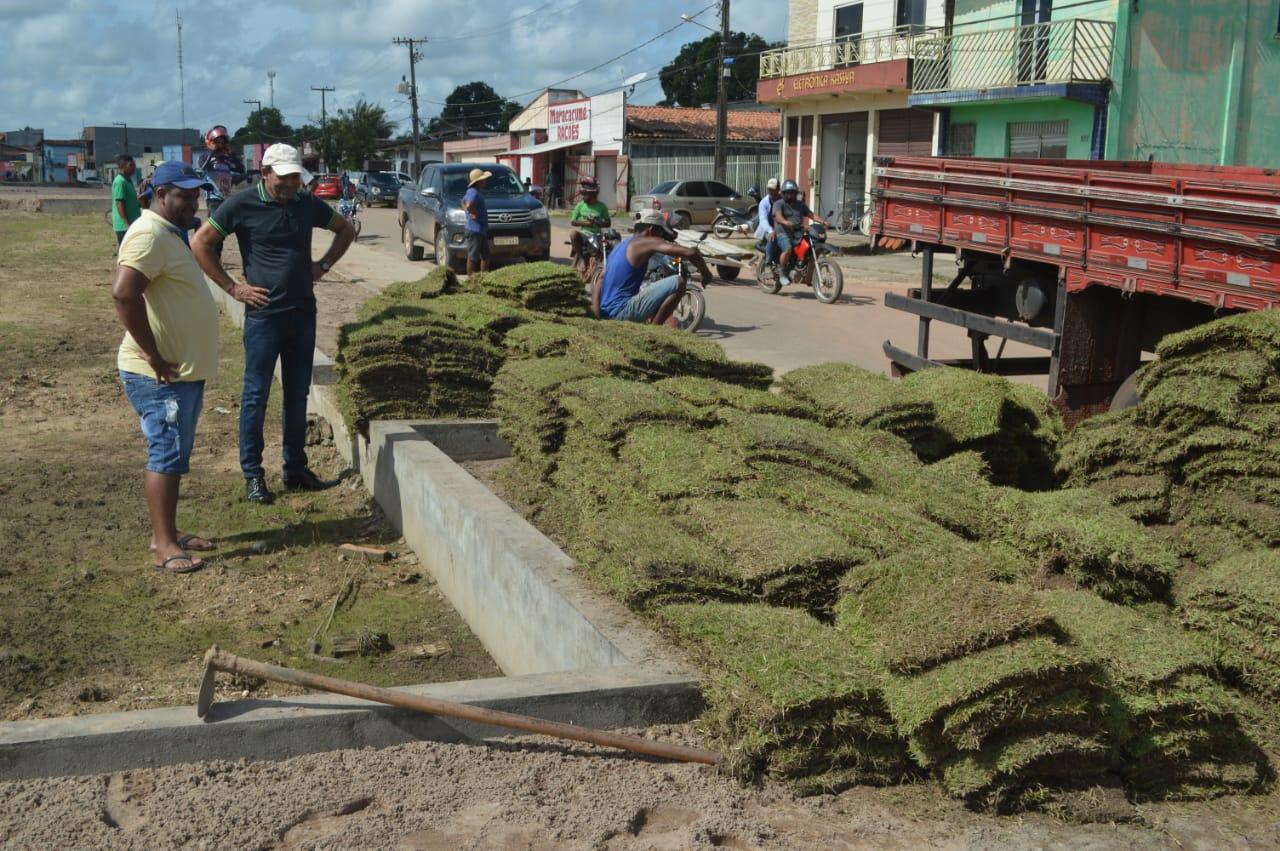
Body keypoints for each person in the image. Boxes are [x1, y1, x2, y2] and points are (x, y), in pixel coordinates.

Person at [191, 143, 356, 505]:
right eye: (283, 178)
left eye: (295, 177)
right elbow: (201, 243)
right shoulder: (242, 204)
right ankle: (253, 475)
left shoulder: (305, 203)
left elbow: (345, 230)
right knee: (256, 396)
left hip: (302, 313)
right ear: (265, 173)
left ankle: (295, 468)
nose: (290, 184)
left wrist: (323, 266)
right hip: (264, 316)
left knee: (297, 394)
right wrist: (234, 288)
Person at [112, 162, 220, 574]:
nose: (193, 202)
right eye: (183, 195)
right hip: (159, 374)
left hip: (180, 372)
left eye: (196, 195)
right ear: (160, 194)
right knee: (166, 453)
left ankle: (169, 531)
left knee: (174, 455)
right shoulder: (147, 235)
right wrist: (153, 354)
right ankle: (163, 544)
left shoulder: (171, 233)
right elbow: (124, 295)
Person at [595, 209, 712, 325]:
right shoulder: (645, 242)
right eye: (661, 233)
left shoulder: (620, 246)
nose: (661, 237)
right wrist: (706, 274)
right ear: (651, 230)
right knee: (678, 282)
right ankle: (655, 330)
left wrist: (596, 316)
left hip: (605, 313)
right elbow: (692, 253)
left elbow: (600, 279)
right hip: (622, 311)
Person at [773, 179, 830, 284]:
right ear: (784, 193)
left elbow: (811, 215)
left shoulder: (800, 204)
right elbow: (778, 217)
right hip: (783, 233)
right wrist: (786, 222)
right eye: (788, 193)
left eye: (792, 192)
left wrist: (823, 221)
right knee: (788, 248)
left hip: (798, 232)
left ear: (795, 193)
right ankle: (782, 273)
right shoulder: (778, 203)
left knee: (810, 247)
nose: (790, 195)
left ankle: (806, 273)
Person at [195, 125, 246, 216]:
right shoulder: (205, 157)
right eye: (217, 142)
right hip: (214, 199)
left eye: (222, 143)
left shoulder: (226, 160)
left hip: (226, 198)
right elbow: (202, 168)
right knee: (216, 225)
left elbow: (241, 169)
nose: (220, 145)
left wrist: (232, 155)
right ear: (209, 143)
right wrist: (213, 153)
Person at [568, 176, 611, 270]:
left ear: (592, 195)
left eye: (585, 195)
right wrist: (586, 223)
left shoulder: (602, 206)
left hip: (598, 235)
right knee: (573, 234)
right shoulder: (580, 205)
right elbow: (573, 222)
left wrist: (598, 222)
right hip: (584, 234)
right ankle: (581, 258)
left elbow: (608, 223)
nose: (583, 197)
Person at [462, 167, 491, 275]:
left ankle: (483, 278)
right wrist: (473, 212)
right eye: (484, 179)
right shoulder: (473, 192)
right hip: (475, 230)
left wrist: (468, 211)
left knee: (486, 255)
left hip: (481, 230)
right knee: (473, 257)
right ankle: (471, 281)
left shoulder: (472, 191)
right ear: (478, 182)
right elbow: (468, 204)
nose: (485, 181)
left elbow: (463, 202)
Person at [111, 155, 141, 247]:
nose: (134, 168)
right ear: (122, 166)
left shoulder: (128, 181)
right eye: (131, 165)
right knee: (126, 252)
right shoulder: (120, 182)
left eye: (134, 165)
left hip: (133, 223)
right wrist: (127, 223)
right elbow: (119, 203)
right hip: (124, 226)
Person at [754, 178, 781, 267]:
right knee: (772, 237)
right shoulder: (763, 203)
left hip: (781, 229)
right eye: (769, 189)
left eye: (773, 189)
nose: (770, 191)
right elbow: (763, 220)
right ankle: (768, 264)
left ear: (778, 189)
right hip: (766, 230)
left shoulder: (783, 200)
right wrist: (771, 230)